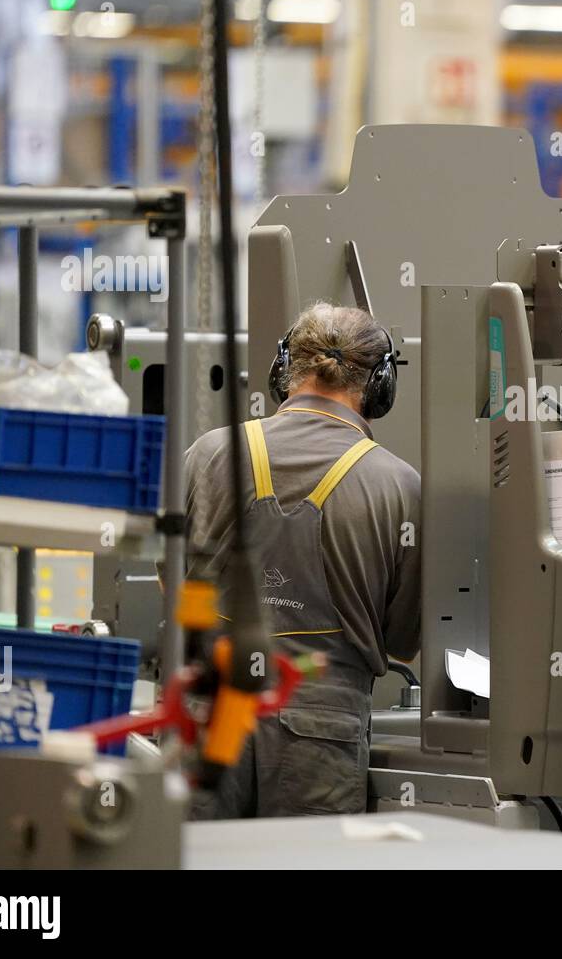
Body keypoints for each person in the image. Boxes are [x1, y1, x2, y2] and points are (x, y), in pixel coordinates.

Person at [184, 301, 420, 817]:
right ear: (379, 386)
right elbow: (404, 639)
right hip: (322, 730)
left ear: (283, 367)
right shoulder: (398, 486)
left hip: (210, 715)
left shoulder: (209, 454)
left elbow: (175, 588)